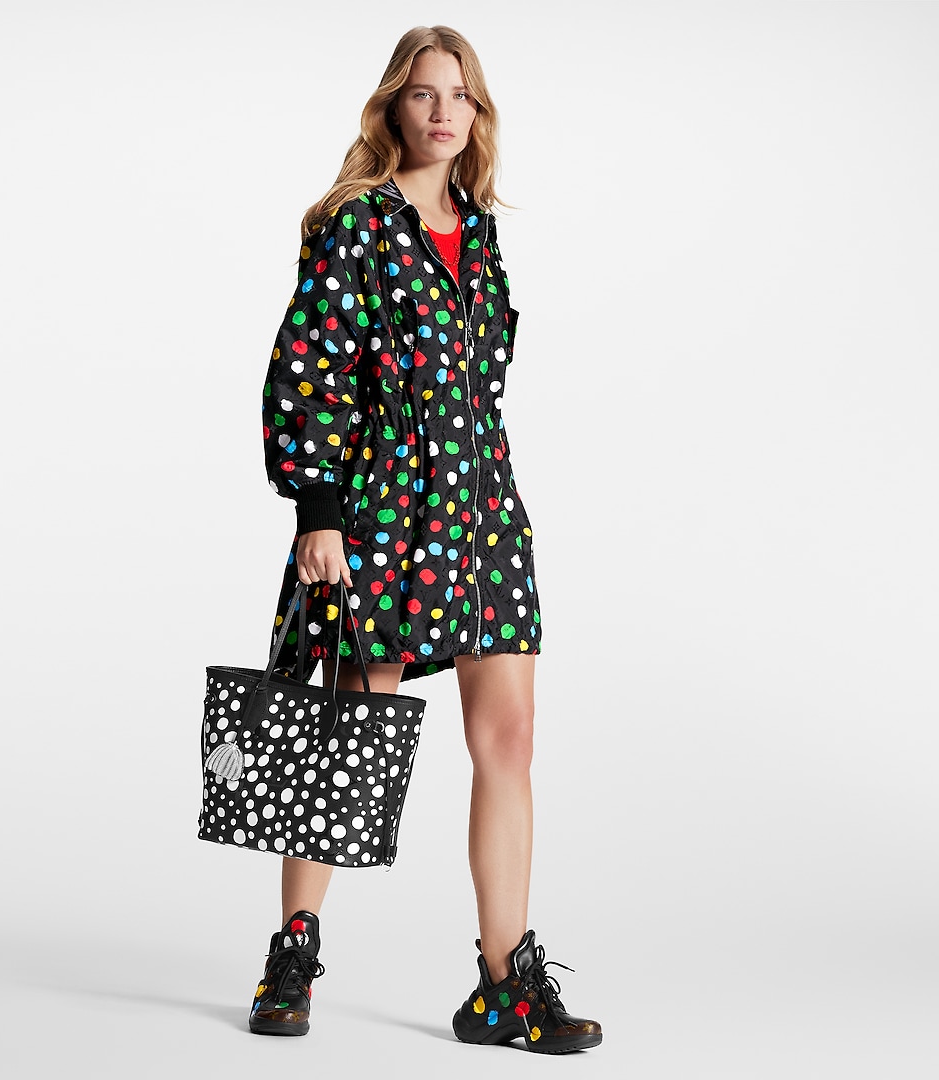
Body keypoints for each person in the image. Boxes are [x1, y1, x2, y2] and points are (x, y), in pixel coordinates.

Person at [251, 25, 602, 1054]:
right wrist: (319, 512)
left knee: (509, 739)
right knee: (350, 729)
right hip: (384, 508)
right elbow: (308, 365)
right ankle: (292, 952)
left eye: (461, 95)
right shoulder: (355, 224)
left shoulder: (478, 232)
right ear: (392, 109)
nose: (443, 112)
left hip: (483, 510)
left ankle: (504, 984)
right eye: (422, 93)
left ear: (477, 114)